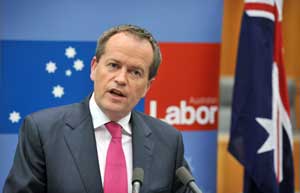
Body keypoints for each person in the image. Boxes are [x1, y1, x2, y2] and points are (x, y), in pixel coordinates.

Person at [3, 24, 190, 193]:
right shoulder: (43, 131)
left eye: (135, 72)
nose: (121, 79)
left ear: (147, 87)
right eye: (114, 65)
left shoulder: (168, 141)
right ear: (94, 68)